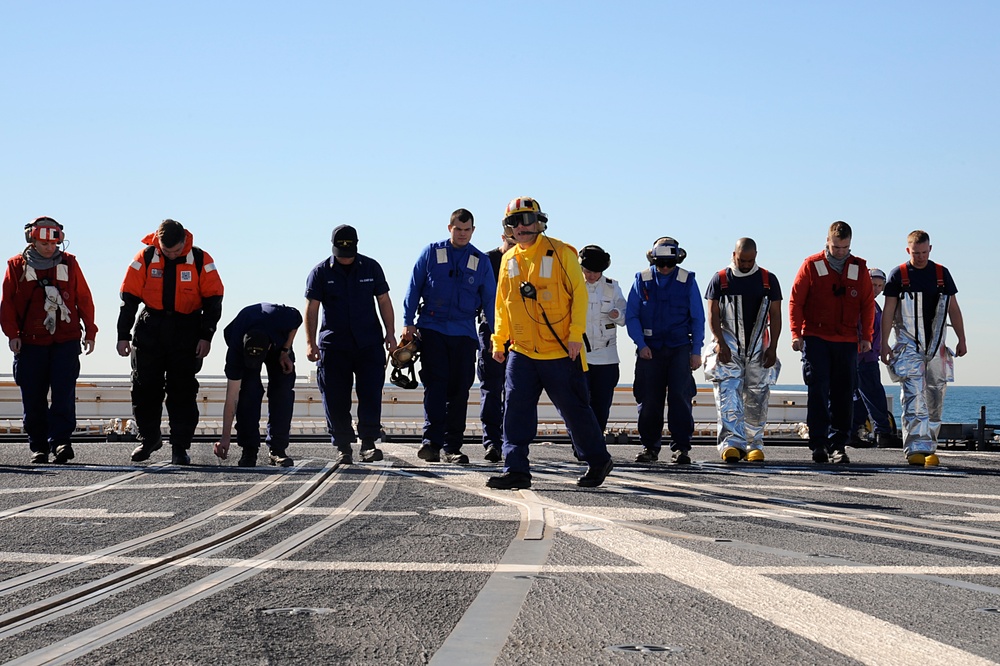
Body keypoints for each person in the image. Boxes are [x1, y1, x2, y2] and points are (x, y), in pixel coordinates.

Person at [487, 197, 614, 490]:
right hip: (521, 351)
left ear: (540, 222)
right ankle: (516, 469)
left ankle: (598, 460)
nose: (521, 227)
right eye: (514, 221)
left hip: (559, 349)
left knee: (575, 410)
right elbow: (501, 305)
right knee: (515, 410)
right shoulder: (508, 260)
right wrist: (499, 340)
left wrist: (574, 336)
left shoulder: (562, 253)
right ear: (508, 228)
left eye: (527, 220)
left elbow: (579, 295)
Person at [117, 219, 224, 465]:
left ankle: (180, 447)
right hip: (151, 327)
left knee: (183, 391)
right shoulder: (144, 257)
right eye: (168, 252)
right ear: (159, 243)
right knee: (145, 387)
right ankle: (149, 438)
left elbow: (214, 302)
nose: (173, 255)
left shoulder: (201, 259)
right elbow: (129, 299)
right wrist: (123, 335)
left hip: (187, 329)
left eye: (177, 251)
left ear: (185, 241)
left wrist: (206, 336)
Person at [402, 208, 496, 465]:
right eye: (458, 229)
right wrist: (407, 323)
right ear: (449, 228)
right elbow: (413, 287)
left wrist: (496, 334)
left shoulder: (480, 260)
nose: (462, 234)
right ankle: (431, 443)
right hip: (432, 329)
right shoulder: (431, 252)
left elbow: (490, 300)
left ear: (473, 231)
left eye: (467, 230)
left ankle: (452, 446)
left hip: (464, 334)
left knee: (459, 389)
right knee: (435, 385)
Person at [1, 216, 97, 464]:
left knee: (64, 394)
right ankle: (39, 446)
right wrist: (12, 335)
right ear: (31, 240)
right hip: (31, 343)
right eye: (43, 243)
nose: (49, 248)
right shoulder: (16, 266)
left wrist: (91, 330)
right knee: (33, 396)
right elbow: (7, 305)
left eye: (53, 243)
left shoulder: (69, 264)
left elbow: (83, 298)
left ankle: (62, 442)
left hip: (65, 341)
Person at [305, 224, 396, 465]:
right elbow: (312, 308)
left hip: (368, 343)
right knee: (335, 397)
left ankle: (368, 443)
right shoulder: (320, 272)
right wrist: (310, 343)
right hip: (334, 345)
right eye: (341, 252)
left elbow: (384, 301)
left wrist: (391, 333)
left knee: (370, 394)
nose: (346, 257)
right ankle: (343, 447)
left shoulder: (371, 267)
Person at [788, 220, 874, 464]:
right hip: (816, 338)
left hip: (847, 341)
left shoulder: (859, 268)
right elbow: (796, 301)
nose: (840, 252)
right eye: (836, 247)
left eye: (845, 248)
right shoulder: (811, 265)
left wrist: (866, 336)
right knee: (817, 391)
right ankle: (818, 444)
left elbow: (867, 304)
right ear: (827, 242)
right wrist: (796, 333)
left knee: (843, 394)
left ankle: (839, 445)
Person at [881, 230, 967, 467]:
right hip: (908, 344)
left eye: (923, 252)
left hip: (937, 345)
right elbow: (888, 311)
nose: (919, 257)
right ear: (908, 250)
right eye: (915, 252)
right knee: (913, 395)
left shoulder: (942, 274)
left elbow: (954, 309)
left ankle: (930, 446)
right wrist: (883, 343)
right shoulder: (898, 275)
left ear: (930, 249)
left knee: (935, 394)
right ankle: (915, 448)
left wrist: (962, 339)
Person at [625, 237, 705, 464]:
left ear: (677, 260)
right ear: (653, 260)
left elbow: (697, 317)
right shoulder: (642, 279)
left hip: (679, 348)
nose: (666, 268)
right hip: (649, 350)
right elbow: (632, 315)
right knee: (649, 400)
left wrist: (696, 350)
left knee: (681, 397)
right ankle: (649, 447)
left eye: (670, 263)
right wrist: (641, 345)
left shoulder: (687, 280)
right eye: (661, 264)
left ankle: (682, 449)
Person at [703, 238, 781, 463]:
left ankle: (754, 444)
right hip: (728, 345)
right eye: (742, 260)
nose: (746, 264)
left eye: (750, 260)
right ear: (733, 255)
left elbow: (775, 315)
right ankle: (731, 444)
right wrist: (720, 342)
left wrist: (773, 347)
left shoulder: (768, 280)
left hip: (758, 346)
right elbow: (713, 313)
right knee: (728, 394)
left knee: (757, 395)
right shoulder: (720, 279)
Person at [213, 303, 302, 468]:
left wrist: (285, 350)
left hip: (278, 342)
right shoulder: (236, 349)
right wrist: (224, 438)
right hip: (244, 339)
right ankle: (249, 449)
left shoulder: (284, 318)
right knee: (248, 393)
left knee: (282, 390)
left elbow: (297, 320)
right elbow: (232, 398)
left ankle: (278, 450)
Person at [578, 244, 627, 434]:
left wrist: (616, 314)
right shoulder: (572, 285)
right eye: (588, 271)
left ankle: (596, 440)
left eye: (596, 272)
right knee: (579, 403)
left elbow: (625, 315)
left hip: (606, 357)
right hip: (579, 355)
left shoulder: (612, 287)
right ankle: (581, 442)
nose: (591, 276)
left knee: (601, 404)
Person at [477, 233, 514, 463]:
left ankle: (513, 442)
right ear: (503, 237)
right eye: (510, 242)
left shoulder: (525, 259)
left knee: (518, 391)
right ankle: (492, 442)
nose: (514, 247)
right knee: (491, 388)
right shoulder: (486, 261)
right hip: (490, 330)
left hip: (520, 332)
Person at [851, 268, 896, 448]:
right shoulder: (862, 304)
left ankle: (852, 431)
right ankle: (883, 432)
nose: (876, 289)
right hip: (863, 358)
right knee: (875, 394)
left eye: (879, 286)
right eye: (873, 284)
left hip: (868, 356)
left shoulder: (874, 306)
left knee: (860, 398)